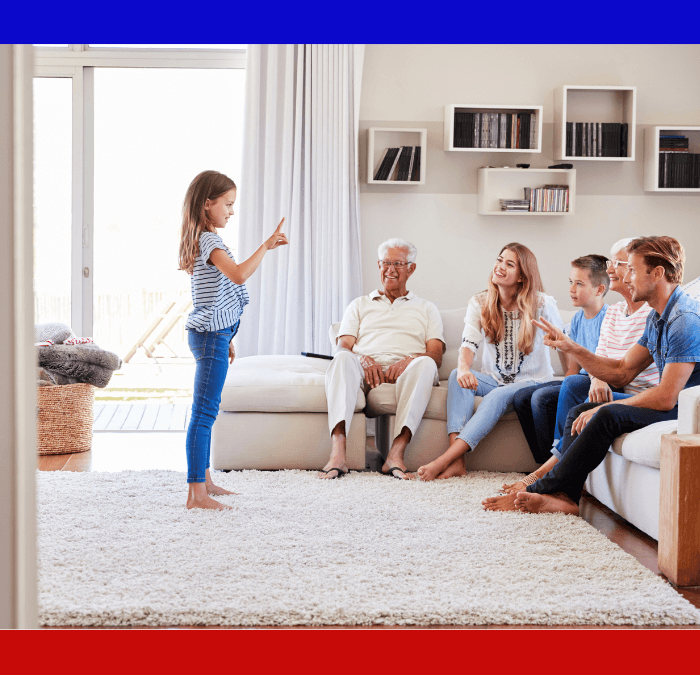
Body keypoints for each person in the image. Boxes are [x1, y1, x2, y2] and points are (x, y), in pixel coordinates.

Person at [483, 236, 700, 515]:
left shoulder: (684, 319)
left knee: (605, 414)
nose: (626, 278)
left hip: (686, 409)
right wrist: (571, 347)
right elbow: (623, 371)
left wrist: (608, 405)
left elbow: (666, 398)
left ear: (657, 273)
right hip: (672, 403)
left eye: (632, 270)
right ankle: (567, 497)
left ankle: (540, 488)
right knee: (581, 410)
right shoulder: (657, 316)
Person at [501, 239, 660, 495]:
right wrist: (594, 374)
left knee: (569, 389)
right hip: (609, 381)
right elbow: (602, 357)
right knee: (555, 390)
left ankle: (551, 471)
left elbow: (624, 371)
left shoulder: (654, 315)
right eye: (610, 263)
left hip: (630, 389)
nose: (610, 270)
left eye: (619, 264)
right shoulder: (615, 312)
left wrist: (595, 375)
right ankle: (551, 466)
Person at [178, 170, 288, 510]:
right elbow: (238, 274)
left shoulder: (204, 238)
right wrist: (267, 245)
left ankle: (205, 481)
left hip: (215, 335)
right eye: (227, 204)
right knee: (204, 413)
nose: (231, 211)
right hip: (210, 336)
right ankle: (196, 494)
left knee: (206, 412)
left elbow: (213, 297)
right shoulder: (209, 241)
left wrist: (226, 336)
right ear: (207, 204)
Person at [416, 242, 564, 482]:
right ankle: (458, 463)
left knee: (496, 396)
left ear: (522, 276)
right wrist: (463, 368)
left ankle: (444, 459)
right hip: (495, 380)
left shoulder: (542, 304)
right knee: (456, 376)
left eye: (509, 264)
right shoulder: (480, 302)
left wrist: (570, 378)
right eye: (499, 259)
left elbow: (564, 343)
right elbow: (468, 344)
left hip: (533, 382)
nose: (500, 267)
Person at [321, 238, 445, 481]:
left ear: (411, 268)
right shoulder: (359, 304)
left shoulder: (427, 308)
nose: (390, 269)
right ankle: (338, 455)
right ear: (378, 266)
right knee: (342, 359)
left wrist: (409, 360)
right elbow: (343, 346)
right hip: (364, 368)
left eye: (398, 263)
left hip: (406, 372)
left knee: (426, 363)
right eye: (385, 263)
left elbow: (436, 354)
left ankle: (395, 455)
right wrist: (362, 358)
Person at [510, 254, 610, 465]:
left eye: (579, 284)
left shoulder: (609, 318)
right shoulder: (577, 320)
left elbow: (607, 366)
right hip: (580, 381)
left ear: (599, 290)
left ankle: (559, 463)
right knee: (521, 397)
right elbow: (572, 370)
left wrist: (570, 384)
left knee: (542, 398)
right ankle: (544, 462)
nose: (572, 289)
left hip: (597, 383)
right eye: (571, 282)